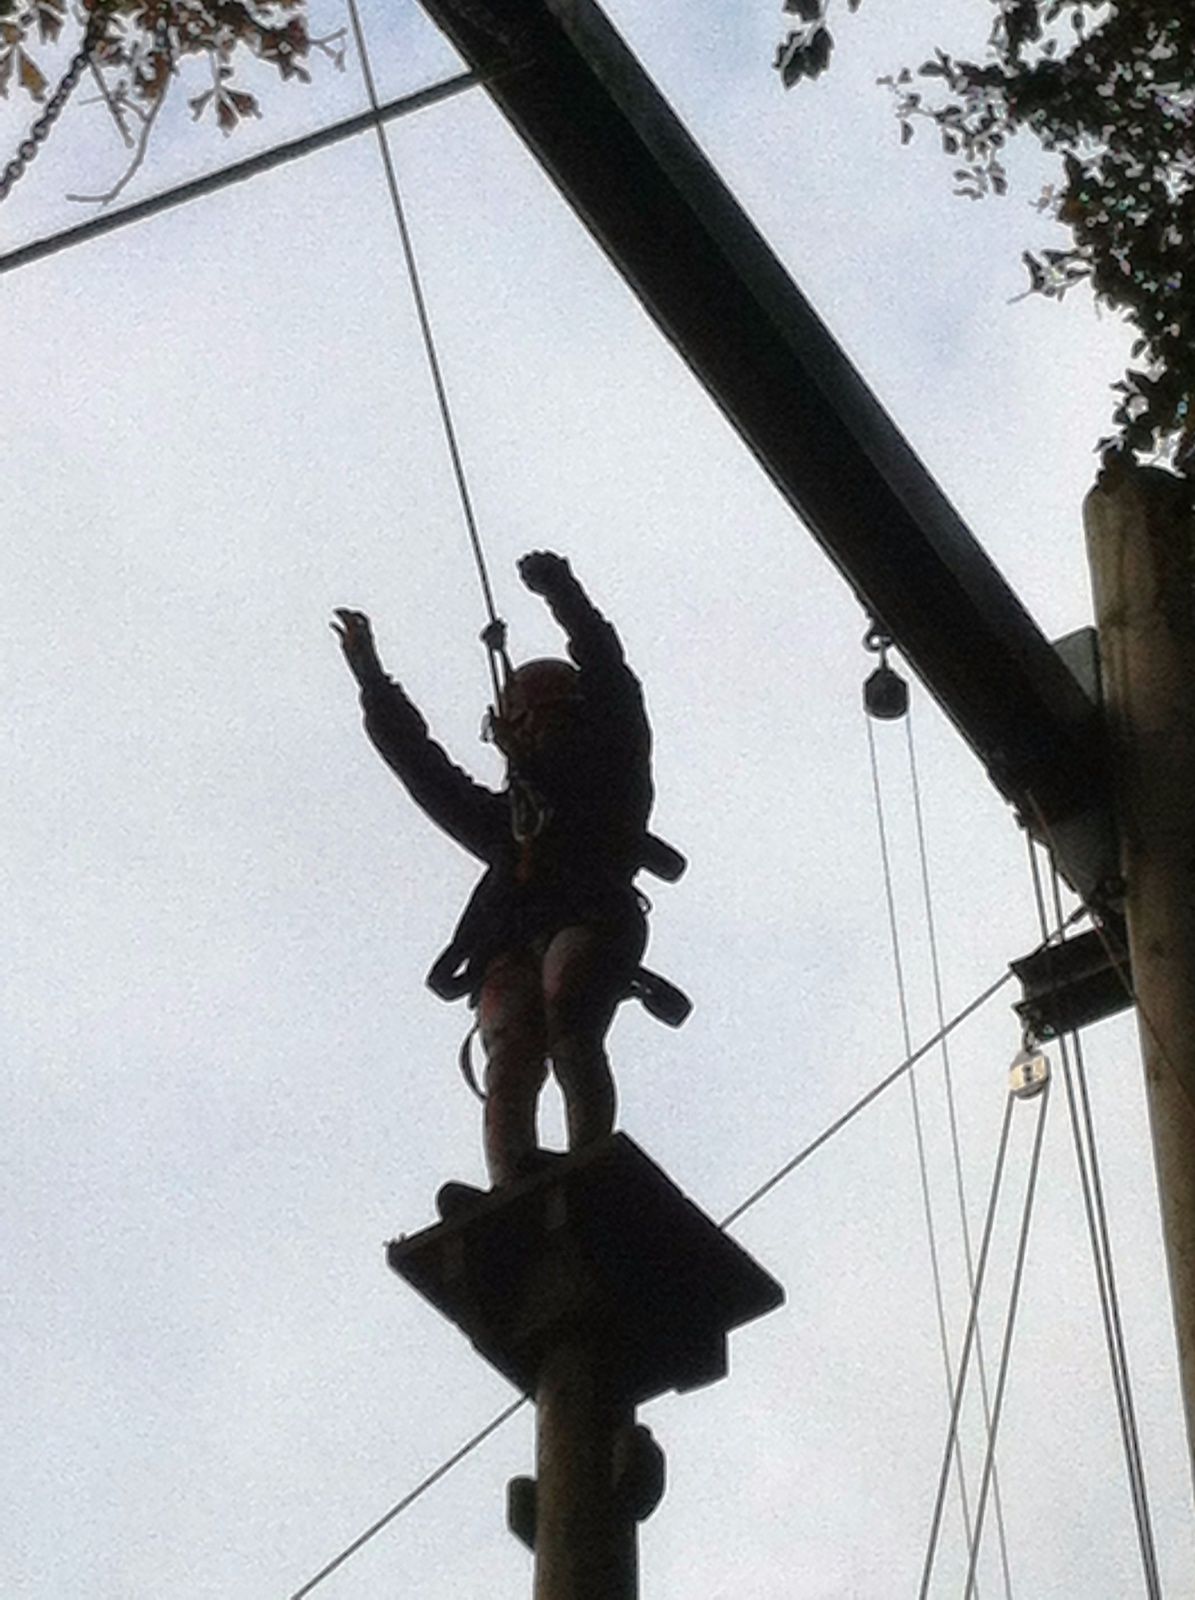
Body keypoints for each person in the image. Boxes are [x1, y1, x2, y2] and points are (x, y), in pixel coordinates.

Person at [332, 550, 686, 1189]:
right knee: (512, 1050)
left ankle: (586, 1159)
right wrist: (374, 684)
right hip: (518, 934)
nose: (527, 729)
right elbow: (423, 768)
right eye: (520, 718)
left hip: (590, 914)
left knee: (568, 1019)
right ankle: (511, 1184)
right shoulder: (509, 824)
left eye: (537, 714)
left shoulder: (614, 773)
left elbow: (609, 672)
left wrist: (563, 592)